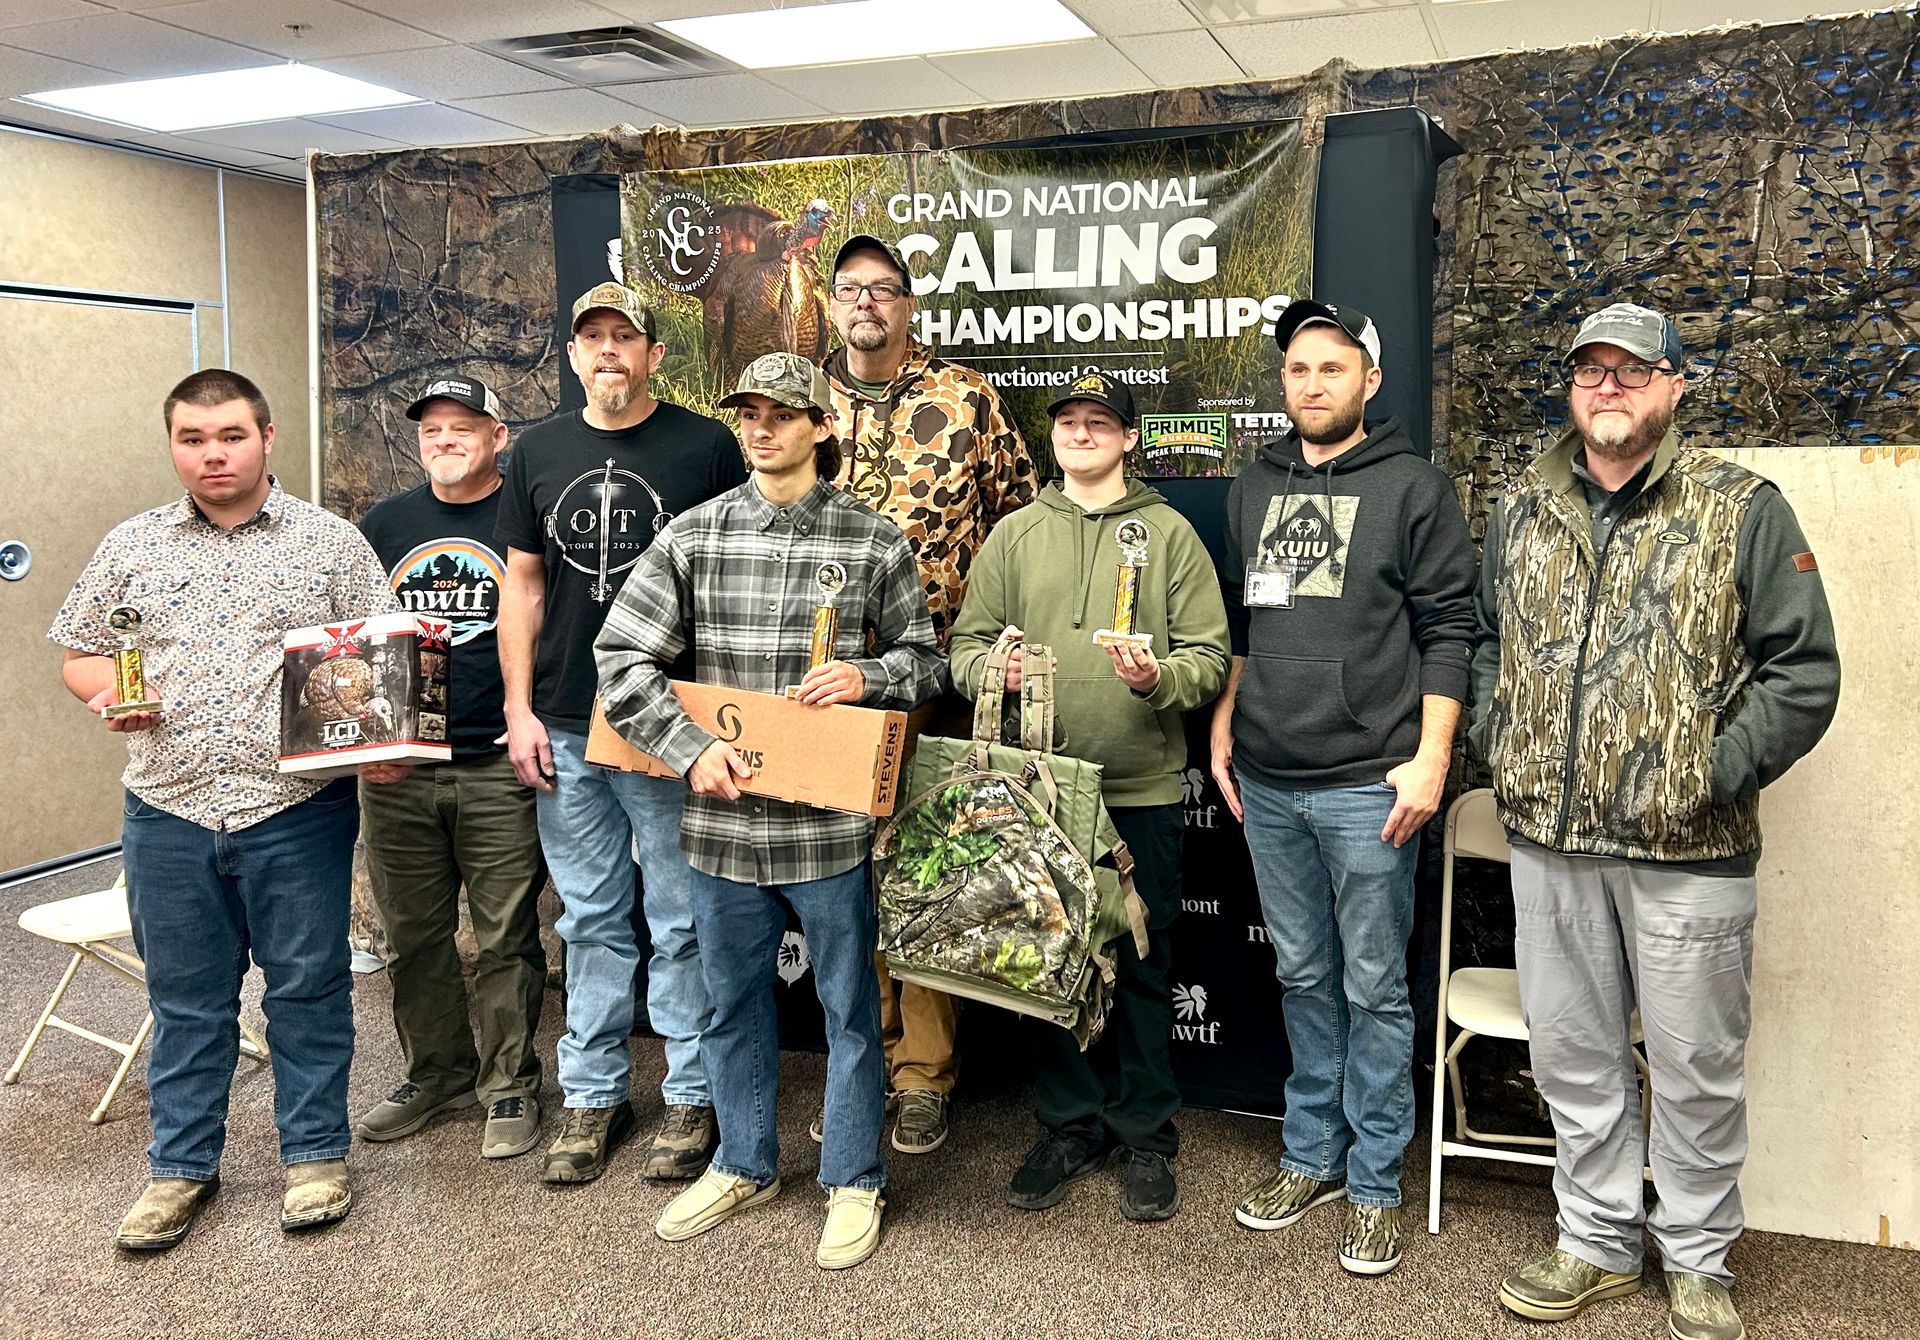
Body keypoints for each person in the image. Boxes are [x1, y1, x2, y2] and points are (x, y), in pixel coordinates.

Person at [1474, 303, 1840, 1340]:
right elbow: (1487, 639)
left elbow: (1804, 671)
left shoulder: (1742, 507)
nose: (1609, 387)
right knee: (1572, 1059)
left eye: (1632, 370)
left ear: (1676, 385)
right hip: (1551, 842)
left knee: (1695, 1069)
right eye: (1590, 370)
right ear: (1570, 388)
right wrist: (1502, 736)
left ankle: (1696, 1257)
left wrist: (1706, 772)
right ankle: (1595, 1242)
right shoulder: (1521, 508)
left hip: (1692, 848)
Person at [595, 351, 941, 1269]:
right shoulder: (694, 536)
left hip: (828, 827)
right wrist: (687, 748)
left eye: (781, 414)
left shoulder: (873, 540)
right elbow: (620, 658)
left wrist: (869, 675)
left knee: (848, 1011)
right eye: (748, 413)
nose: (760, 429)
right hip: (723, 824)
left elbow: (926, 660)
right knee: (731, 1002)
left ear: (820, 427)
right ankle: (744, 1163)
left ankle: (854, 1178)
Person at [50, 369, 405, 1249]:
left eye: (232, 436)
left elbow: (386, 661)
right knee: (186, 999)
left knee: (308, 988)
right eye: (193, 440)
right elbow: (81, 654)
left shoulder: (329, 544)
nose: (213, 455)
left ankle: (315, 1156)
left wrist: (385, 742)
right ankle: (180, 1169)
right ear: (173, 445)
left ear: (267, 438)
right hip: (167, 810)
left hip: (296, 810)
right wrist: (109, 695)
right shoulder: (132, 545)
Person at [1212, 300, 1477, 1275]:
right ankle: (1311, 1155)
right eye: (1297, 368)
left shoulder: (1415, 487)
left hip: (1372, 785)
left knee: (1373, 985)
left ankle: (1374, 1182)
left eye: (1332, 367)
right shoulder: (1254, 485)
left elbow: (1452, 629)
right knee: (1302, 976)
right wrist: (1226, 714)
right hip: (1268, 778)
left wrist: (1433, 755)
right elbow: (1251, 621)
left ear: (1370, 379)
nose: (1313, 383)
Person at [947, 371, 1229, 1222]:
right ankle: (1069, 1125)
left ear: (1128, 437)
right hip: (1039, 789)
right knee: (1048, 961)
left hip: (1138, 787)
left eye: (1099, 421)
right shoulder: (1014, 535)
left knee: (1141, 965)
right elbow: (962, 648)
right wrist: (991, 671)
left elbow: (1209, 659)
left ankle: (1145, 1134)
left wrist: (1154, 678)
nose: (1080, 432)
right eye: (1067, 420)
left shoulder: (1170, 534)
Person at [495, 282, 746, 1184]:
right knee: (592, 917)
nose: (608, 351)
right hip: (565, 721)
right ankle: (594, 1093)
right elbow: (523, 587)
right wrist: (519, 710)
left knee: (680, 918)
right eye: (592, 337)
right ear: (572, 355)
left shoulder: (705, 446)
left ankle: (691, 1094)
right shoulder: (537, 451)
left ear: (654, 355)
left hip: (665, 724)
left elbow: (731, 579)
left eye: (625, 338)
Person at [820, 233, 1038, 1155]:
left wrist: (999, 651)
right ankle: (860, 1063)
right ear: (830, 305)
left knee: (930, 870)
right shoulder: (802, 403)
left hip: (939, 679)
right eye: (850, 289)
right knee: (844, 881)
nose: (866, 302)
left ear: (909, 305)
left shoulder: (965, 398)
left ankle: (923, 1074)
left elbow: (1019, 521)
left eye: (884, 288)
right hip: (829, 689)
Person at [352, 375, 548, 1160]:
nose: (444, 439)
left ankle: (510, 1083)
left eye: (462, 426)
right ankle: (436, 1073)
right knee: (413, 936)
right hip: (401, 768)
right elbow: (354, 642)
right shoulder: (384, 524)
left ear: (498, 436)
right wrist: (368, 744)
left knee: (505, 938)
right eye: (431, 428)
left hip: (496, 760)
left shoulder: (523, 516)